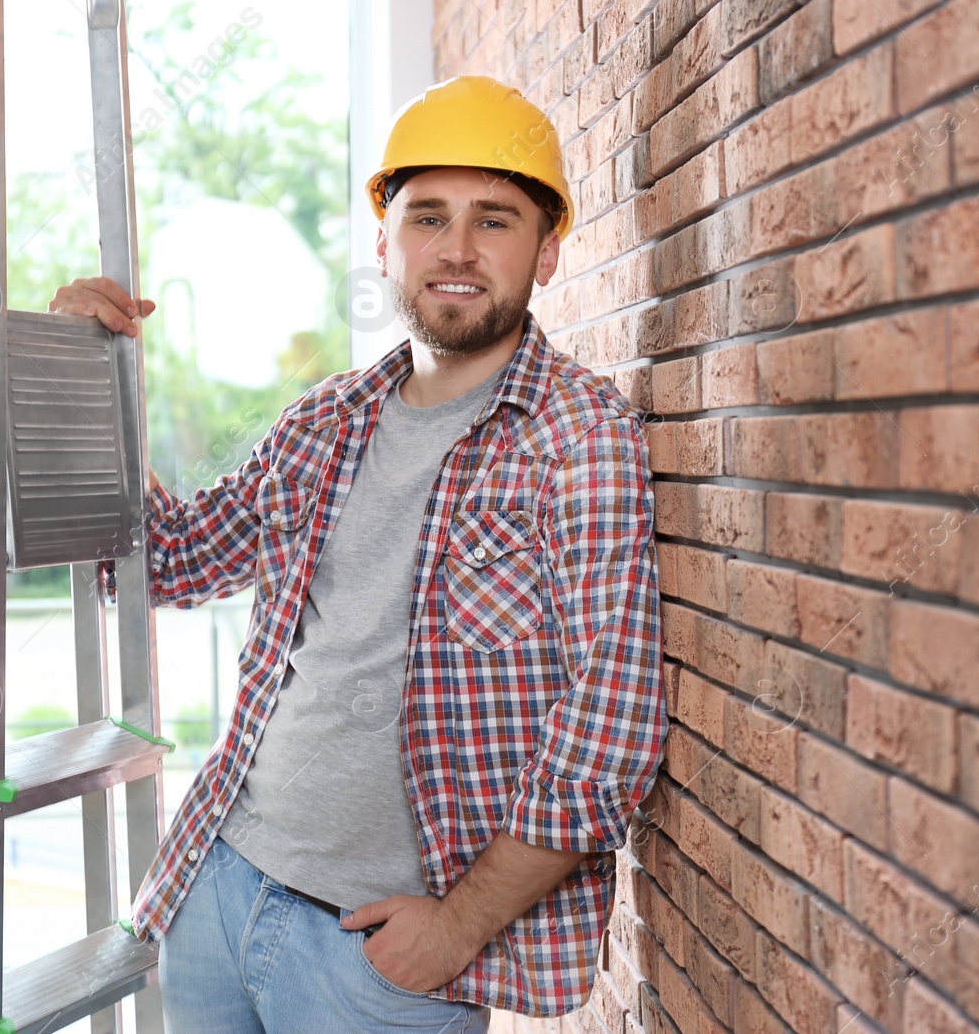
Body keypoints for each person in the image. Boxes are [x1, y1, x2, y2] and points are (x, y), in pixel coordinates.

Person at [49, 74, 667, 1033]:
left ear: (547, 251)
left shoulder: (580, 439)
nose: (456, 249)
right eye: (428, 217)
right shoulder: (324, 423)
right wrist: (86, 381)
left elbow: (611, 726)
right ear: (386, 243)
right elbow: (168, 561)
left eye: (494, 220)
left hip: (379, 965)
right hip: (219, 886)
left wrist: (456, 930)